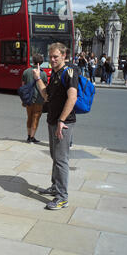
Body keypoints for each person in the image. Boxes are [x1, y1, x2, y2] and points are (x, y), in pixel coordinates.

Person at [32, 42, 78, 210]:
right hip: (53, 120)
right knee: (55, 156)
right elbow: (46, 96)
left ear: (64, 56)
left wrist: (62, 121)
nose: (52, 60)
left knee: (61, 160)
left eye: (55, 57)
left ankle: (62, 197)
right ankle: (55, 186)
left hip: (63, 123)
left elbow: (72, 98)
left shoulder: (70, 72)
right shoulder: (56, 73)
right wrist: (38, 78)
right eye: (50, 57)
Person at [21, 54, 47, 143]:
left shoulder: (26, 72)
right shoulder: (43, 74)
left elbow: (23, 86)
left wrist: (23, 99)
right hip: (39, 99)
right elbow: (44, 87)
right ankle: (32, 137)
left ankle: (28, 136)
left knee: (29, 117)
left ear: (33, 61)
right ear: (41, 62)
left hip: (28, 99)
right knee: (36, 117)